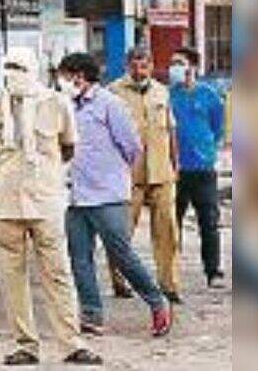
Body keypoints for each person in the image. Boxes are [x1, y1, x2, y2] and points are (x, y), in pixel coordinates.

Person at [0, 47, 102, 366]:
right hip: (4, 202)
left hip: (45, 201)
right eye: (8, 67)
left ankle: (71, 343)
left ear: (33, 69)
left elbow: (68, 147)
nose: (13, 73)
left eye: (19, 67)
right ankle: (25, 344)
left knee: (58, 274)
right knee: (11, 279)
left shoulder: (56, 103)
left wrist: (44, 173)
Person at [57, 52, 172, 337]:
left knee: (121, 254)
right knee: (79, 257)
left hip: (107, 194)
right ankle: (92, 313)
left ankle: (157, 302)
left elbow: (132, 146)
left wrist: (112, 173)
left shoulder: (110, 104)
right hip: (75, 195)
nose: (62, 82)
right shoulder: (65, 106)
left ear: (79, 76)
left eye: (66, 76)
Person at [107, 46, 182, 303]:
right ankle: (119, 281)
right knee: (121, 232)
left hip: (161, 171)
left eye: (145, 65)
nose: (140, 70)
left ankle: (169, 284)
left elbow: (171, 130)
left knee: (168, 231)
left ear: (151, 66)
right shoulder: (113, 93)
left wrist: (176, 163)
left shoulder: (162, 92)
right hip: (129, 174)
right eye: (135, 64)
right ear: (128, 65)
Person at [169, 47, 227, 289]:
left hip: (202, 168)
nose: (175, 68)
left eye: (179, 63)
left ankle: (212, 270)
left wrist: (208, 150)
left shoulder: (209, 95)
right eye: (173, 63)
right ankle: (171, 271)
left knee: (209, 221)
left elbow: (218, 127)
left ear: (192, 67)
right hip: (175, 169)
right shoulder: (168, 96)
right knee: (172, 221)